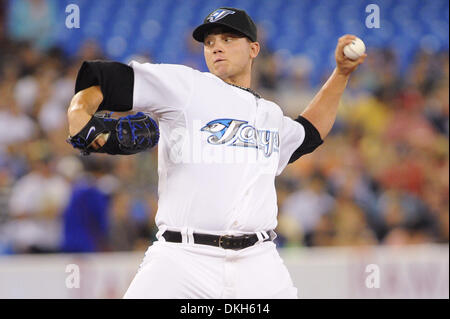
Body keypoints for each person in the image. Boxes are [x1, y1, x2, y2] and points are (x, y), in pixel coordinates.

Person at [66, 7, 365, 298]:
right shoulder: (188, 86)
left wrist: (341, 73)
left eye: (227, 39)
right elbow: (105, 79)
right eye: (209, 42)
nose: (216, 47)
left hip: (257, 262)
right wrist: (80, 115)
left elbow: (309, 133)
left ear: (253, 49)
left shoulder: (270, 115)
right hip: (183, 257)